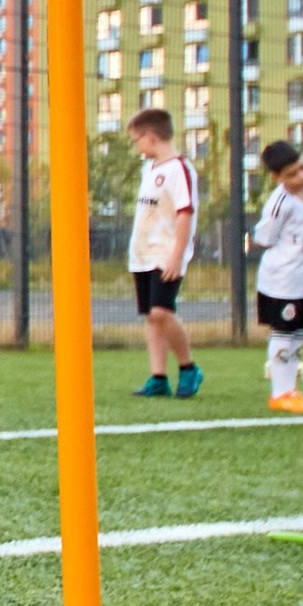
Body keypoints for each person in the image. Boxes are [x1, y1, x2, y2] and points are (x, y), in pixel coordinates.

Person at [125, 107, 202, 399]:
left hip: (166, 253)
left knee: (162, 312)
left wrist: (177, 256)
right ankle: (158, 376)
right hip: (142, 254)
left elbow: (185, 213)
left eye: (136, 140)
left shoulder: (179, 169)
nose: (136, 147)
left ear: (151, 136)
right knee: (150, 315)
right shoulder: (150, 168)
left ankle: (188, 367)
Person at [251, 139, 303, 414]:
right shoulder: (280, 203)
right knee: (283, 333)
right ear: (277, 178)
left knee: (297, 335)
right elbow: (264, 237)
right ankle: (280, 393)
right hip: (280, 279)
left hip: (300, 279)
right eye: (292, 175)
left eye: (302, 169)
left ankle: (291, 389)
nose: (301, 177)